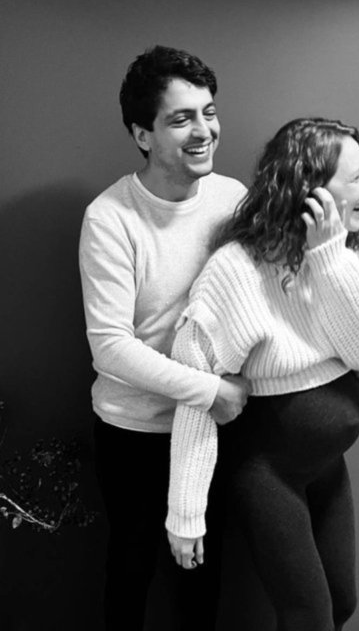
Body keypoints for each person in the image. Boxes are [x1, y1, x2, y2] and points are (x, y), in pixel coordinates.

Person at [166, 117, 359, 631]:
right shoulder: (236, 271)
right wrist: (185, 513)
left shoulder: (349, 252)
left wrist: (328, 258)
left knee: (341, 604)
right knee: (308, 617)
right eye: (356, 176)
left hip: (327, 466)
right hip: (269, 474)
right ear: (310, 192)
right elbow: (196, 394)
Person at [79, 45, 249, 631]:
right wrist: (212, 392)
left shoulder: (232, 199)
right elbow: (110, 346)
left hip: (208, 432)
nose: (204, 131)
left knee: (204, 579)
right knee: (130, 573)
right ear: (143, 135)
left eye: (209, 112)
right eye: (181, 119)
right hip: (135, 433)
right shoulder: (110, 217)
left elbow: (268, 302)